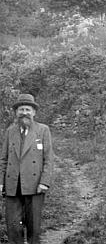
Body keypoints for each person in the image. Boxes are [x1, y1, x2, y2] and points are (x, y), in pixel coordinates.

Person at [0, 94, 53, 244]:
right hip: (13, 184)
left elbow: (49, 159)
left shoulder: (43, 130)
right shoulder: (10, 131)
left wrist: (45, 182)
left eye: (28, 109)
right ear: (16, 112)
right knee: (13, 225)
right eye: (21, 109)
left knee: (33, 226)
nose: (24, 112)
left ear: (34, 112)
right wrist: (1, 182)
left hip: (35, 184)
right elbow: (3, 158)